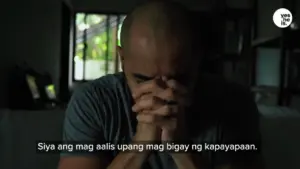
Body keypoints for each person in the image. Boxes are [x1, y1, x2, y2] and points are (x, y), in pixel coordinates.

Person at [58, 1, 263, 169]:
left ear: (198, 60)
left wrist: (182, 149)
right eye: (143, 80)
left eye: (179, 80)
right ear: (123, 59)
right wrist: (139, 146)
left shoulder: (234, 103)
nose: (162, 96)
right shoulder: (93, 102)